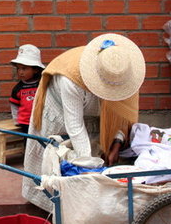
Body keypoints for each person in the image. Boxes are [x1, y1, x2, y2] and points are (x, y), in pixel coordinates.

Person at [22, 33, 146, 212]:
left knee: (95, 149)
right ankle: (51, 206)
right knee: (55, 151)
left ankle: (81, 202)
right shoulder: (70, 80)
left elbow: (123, 115)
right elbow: (75, 126)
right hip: (59, 107)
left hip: (89, 108)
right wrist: (88, 166)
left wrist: (116, 144)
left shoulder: (126, 75)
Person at [9, 44, 45, 134]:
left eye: (24, 69)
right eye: (18, 69)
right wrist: (16, 120)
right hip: (25, 122)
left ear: (36, 69)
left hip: (42, 120)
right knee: (28, 142)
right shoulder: (18, 89)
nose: (20, 72)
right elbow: (14, 105)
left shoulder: (42, 85)